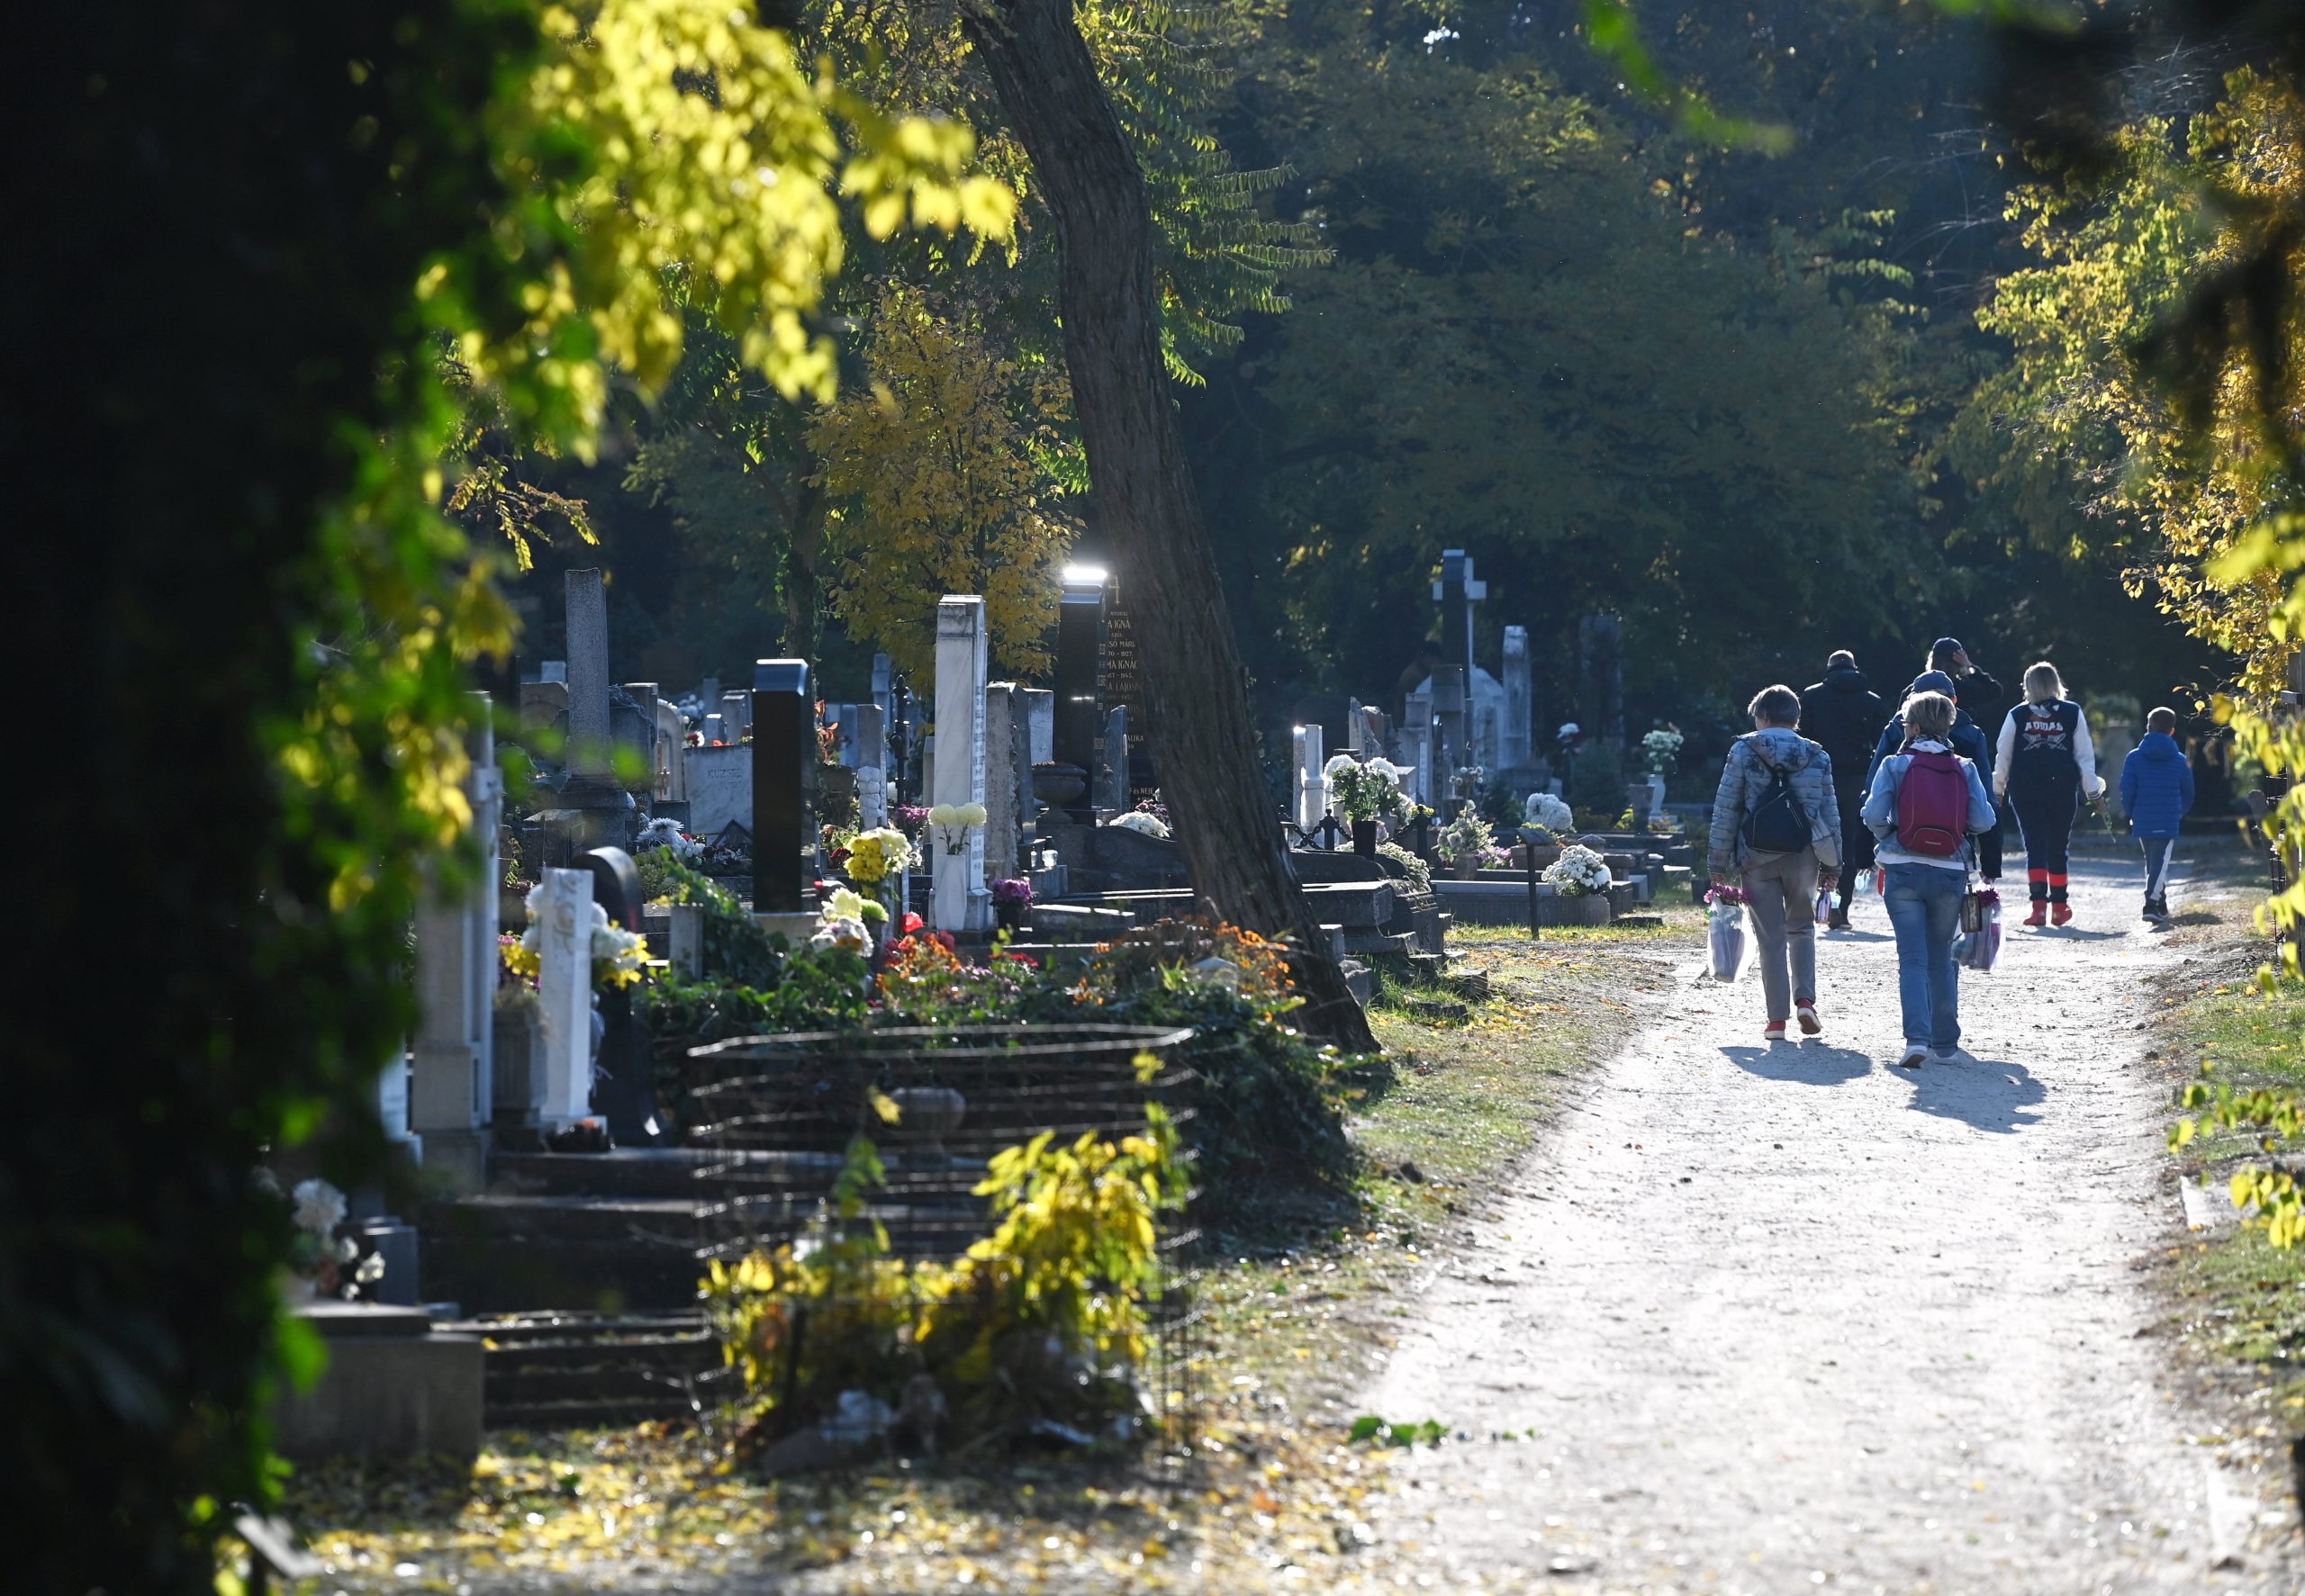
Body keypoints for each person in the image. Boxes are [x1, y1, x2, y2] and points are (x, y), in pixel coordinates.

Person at [1863, 690, 1999, 1069]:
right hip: (1950, 871)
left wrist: (1891, 835)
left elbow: (1873, 814)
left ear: (1916, 725)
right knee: (1942, 958)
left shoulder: (1895, 764)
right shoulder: (1965, 767)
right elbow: (1984, 822)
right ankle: (1946, 1044)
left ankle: (1916, 1040)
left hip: (1902, 869)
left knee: (1912, 958)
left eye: (1906, 722)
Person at [1708, 684, 1843, 1042]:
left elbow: (1727, 808)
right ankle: (1806, 1000)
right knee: (1801, 928)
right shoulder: (1818, 755)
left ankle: (1776, 1022)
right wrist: (1834, 866)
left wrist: (1718, 862)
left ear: (1762, 716)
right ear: (1795, 718)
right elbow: (1830, 812)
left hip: (1756, 854)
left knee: (1770, 937)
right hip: (1804, 854)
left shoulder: (1743, 750)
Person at [1993, 662, 2105, 927]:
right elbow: (2084, 756)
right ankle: (2060, 906)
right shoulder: (2071, 712)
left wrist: (1997, 790)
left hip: (2025, 789)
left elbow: (2003, 754)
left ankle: (2038, 908)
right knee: (2057, 847)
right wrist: (2094, 792)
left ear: (2029, 686)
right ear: (2055, 683)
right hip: (2062, 788)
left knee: (2034, 846)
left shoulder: (2017, 715)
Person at [1867, 668, 2004, 879]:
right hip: (1954, 847)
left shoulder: (1895, 730)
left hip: (1902, 844)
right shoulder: (1972, 735)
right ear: (1954, 701)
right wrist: (1991, 864)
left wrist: (1869, 850)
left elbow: (1870, 793)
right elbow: (1985, 800)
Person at [1798, 650, 1886, 929]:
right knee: (1846, 844)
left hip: (1818, 779)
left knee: (1813, 841)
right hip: (1857, 780)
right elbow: (1881, 745)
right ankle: (1841, 907)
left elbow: (1803, 740)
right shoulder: (1871, 701)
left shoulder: (1811, 697)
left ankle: (1812, 902)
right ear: (1854, 669)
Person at [2120, 706, 2196, 922]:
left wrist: (2130, 812)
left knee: (2152, 862)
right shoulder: (2181, 760)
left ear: (2148, 727)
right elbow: (2189, 791)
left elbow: (2127, 789)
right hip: (2168, 816)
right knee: (2159, 862)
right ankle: (2151, 905)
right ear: (2172, 731)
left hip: (2142, 815)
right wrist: (2179, 812)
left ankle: (2160, 903)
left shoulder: (2134, 758)